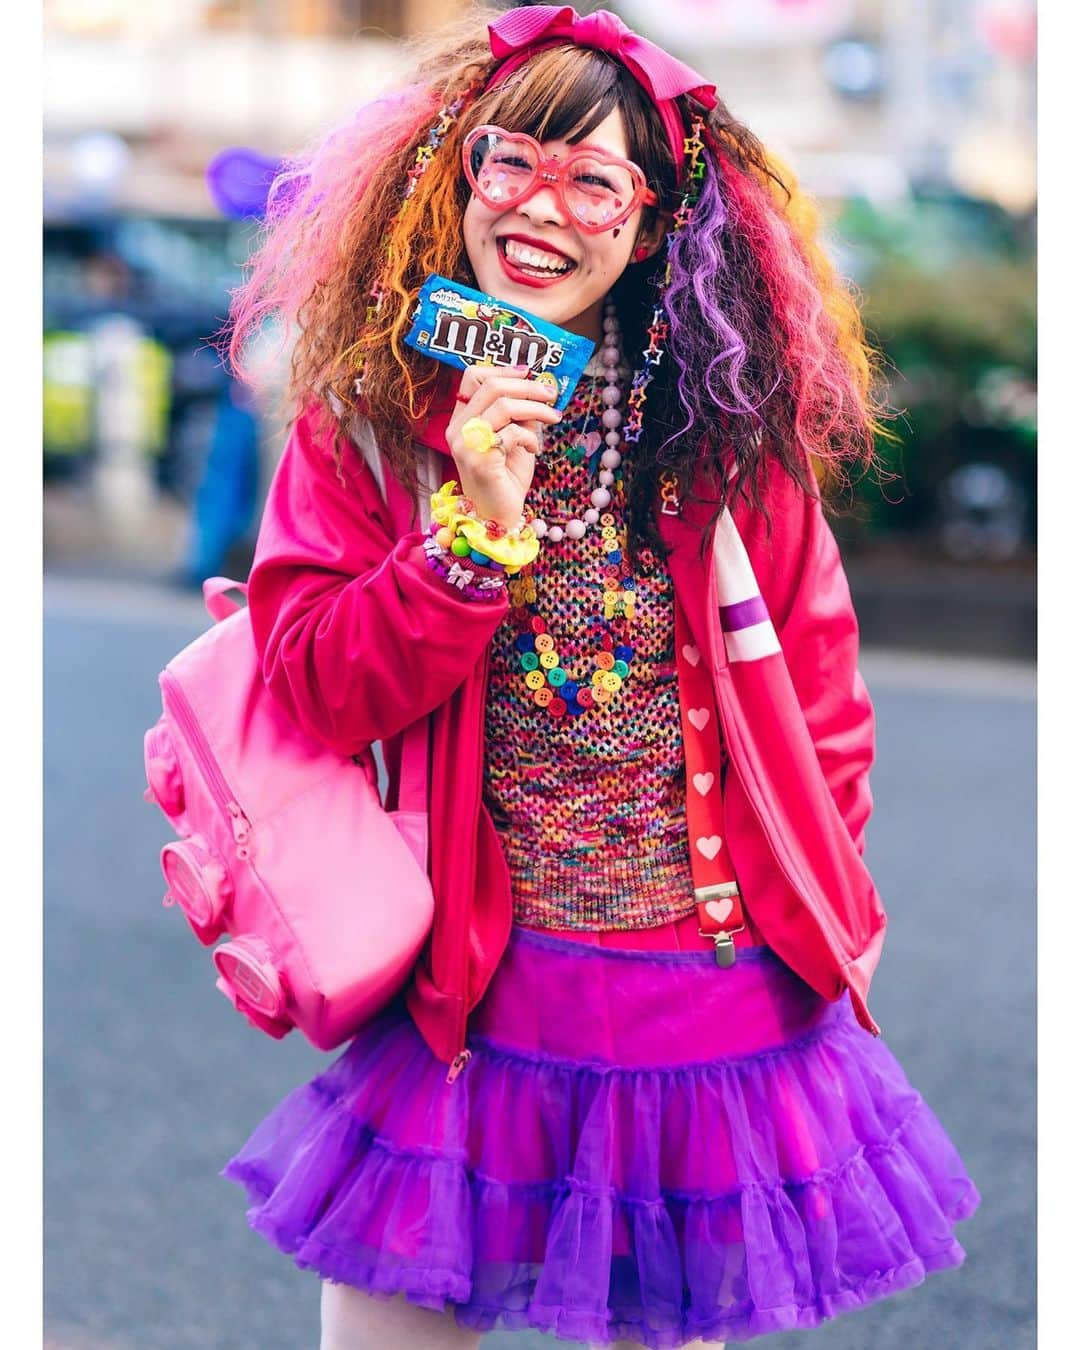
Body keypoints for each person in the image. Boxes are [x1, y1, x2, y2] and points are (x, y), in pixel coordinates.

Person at [218, 7, 981, 1347]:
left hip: (716, 994)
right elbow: (318, 689)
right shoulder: (376, 421)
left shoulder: (722, 434)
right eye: (510, 163)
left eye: (595, 182)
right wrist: (468, 530)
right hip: (478, 989)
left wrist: (818, 882)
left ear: (650, 222)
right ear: (453, 174)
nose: (541, 211)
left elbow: (821, 700)